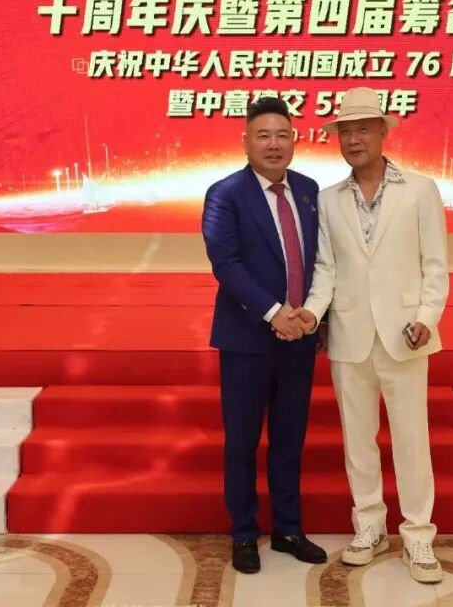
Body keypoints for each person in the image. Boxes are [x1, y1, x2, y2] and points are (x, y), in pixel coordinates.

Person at [289, 86, 449, 583]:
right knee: (358, 440)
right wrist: (312, 314)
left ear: (383, 132)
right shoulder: (328, 199)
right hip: (349, 333)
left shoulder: (420, 190)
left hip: (406, 335)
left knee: (411, 440)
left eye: (363, 129)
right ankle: (370, 528)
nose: (354, 139)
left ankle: (418, 536)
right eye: (346, 132)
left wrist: (427, 316)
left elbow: (435, 265)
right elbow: (325, 269)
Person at [201, 96, 328, 574]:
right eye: (263, 136)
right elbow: (226, 263)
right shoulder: (225, 193)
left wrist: (311, 316)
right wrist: (274, 313)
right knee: (242, 442)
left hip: (300, 339)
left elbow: (319, 259)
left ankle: (289, 529)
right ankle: (244, 533)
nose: (274, 145)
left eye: (282, 135)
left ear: (294, 140)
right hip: (247, 340)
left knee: (290, 439)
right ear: (246, 142)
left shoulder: (309, 190)